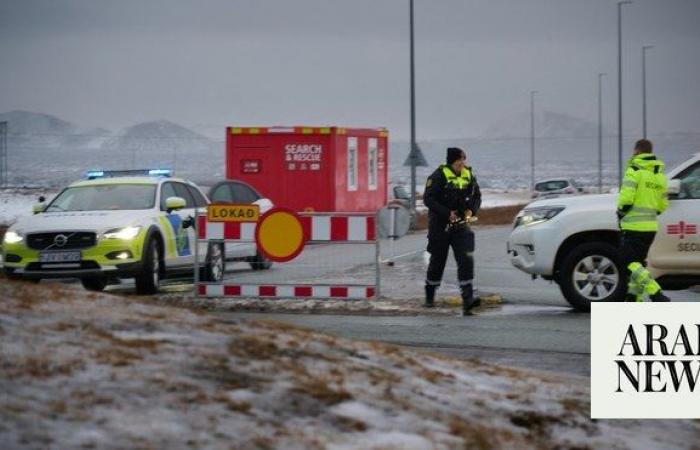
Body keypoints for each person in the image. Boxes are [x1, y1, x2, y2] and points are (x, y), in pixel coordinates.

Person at [423, 147, 482, 314]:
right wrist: (446, 213)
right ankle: (430, 296)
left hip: (461, 226)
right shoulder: (438, 176)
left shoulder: (468, 175)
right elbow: (428, 198)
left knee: (466, 260)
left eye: (464, 159)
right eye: (459, 160)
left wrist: (472, 210)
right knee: (437, 261)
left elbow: (477, 196)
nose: (462, 163)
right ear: (452, 161)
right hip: (440, 226)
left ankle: (468, 300)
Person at [617, 139, 671, 302]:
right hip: (650, 228)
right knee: (638, 264)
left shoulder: (634, 170)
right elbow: (662, 205)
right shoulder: (659, 175)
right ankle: (634, 298)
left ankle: (655, 292)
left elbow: (626, 198)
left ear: (637, 151)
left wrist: (620, 212)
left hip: (633, 226)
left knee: (629, 261)